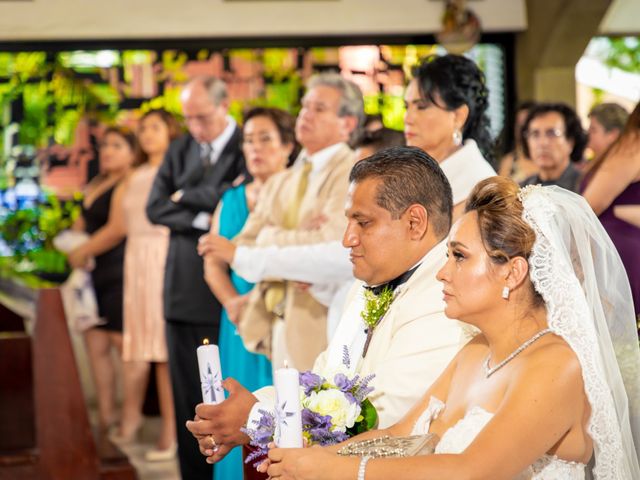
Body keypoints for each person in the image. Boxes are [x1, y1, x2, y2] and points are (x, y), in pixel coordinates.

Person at [263, 176, 640, 479]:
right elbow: (398, 436)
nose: (443, 273)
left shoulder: (557, 365)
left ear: (513, 271)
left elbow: (472, 469)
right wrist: (310, 460)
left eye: (459, 256)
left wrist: (341, 470)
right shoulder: (474, 352)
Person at [187, 147, 464, 470]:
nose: (347, 239)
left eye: (363, 223)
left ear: (415, 222)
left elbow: (388, 420)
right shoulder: (365, 287)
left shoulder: (444, 298)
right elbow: (324, 382)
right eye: (348, 222)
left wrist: (255, 418)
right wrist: (250, 407)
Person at [146, 76, 245, 480]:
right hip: (180, 287)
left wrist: (186, 196)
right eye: (188, 119)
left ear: (224, 106)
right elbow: (155, 208)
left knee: (225, 396)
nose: (195, 127)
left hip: (227, 291)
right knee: (188, 396)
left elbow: (237, 200)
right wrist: (207, 212)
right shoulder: (180, 147)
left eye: (202, 117)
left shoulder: (247, 146)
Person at [231, 72, 362, 372]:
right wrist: (293, 245)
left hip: (320, 317)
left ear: (348, 123)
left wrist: (269, 240)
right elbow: (242, 244)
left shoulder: (353, 171)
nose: (306, 115)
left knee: (317, 413)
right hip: (277, 318)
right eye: (305, 106)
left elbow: (334, 243)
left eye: (319, 109)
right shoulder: (284, 178)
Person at [198, 106, 297, 479]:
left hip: (284, 316)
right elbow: (212, 262)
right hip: (238, 318)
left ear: (288, 146)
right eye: (249, 140)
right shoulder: (232, 199)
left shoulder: (297, 193)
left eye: (265, 139)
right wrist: (233, 302)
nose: (255, 148)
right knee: (232, 410)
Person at [68, 127, 135, 433]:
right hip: (90, 274)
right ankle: (104, 418)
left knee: (122, 347)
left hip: (118, 271)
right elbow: (81, 223)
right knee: (95, 347)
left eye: (117, 145)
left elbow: (118, 228)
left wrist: (82, 250)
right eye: (106, 145)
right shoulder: (97, 182)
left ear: (132, 152)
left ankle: (128, 418)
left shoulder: (128, 181)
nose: (108, 151)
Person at [403, 54, 496, 221]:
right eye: (407, 106)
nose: (408, 118)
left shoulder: (480, 187)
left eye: (421, 107)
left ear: (458, 116)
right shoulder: (412, 173)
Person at [582, 101, 640, 317]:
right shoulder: (632, 144)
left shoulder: (633, 145)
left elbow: (589, 205)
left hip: (620, 252)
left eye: (593, 130)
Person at [520, 102, 587, 192]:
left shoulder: (586, 187)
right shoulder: (521, 190)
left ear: (570, 142)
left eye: (551, 133)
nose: (542, 143)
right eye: (535, 134)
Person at [497, 100, 538, 182]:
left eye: (526, 124)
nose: (522, 129)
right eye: (519, 124)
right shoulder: (508, 162)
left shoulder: (548, 160)